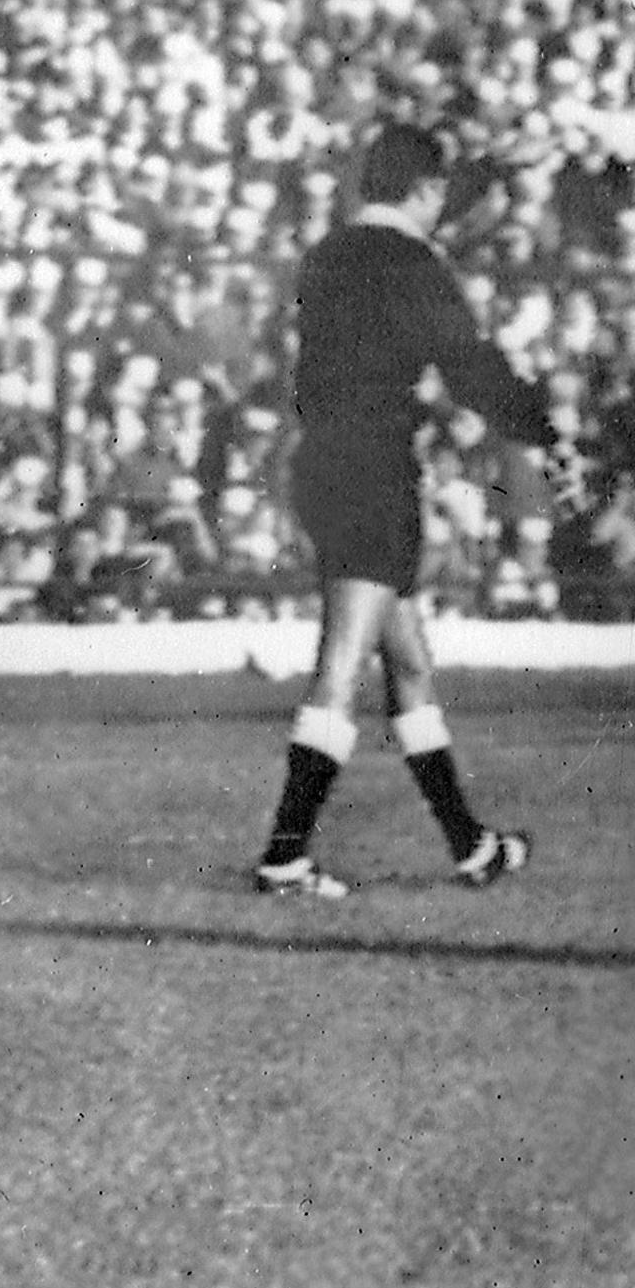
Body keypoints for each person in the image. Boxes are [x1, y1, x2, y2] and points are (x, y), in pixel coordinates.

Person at [255, 122, 569, 898]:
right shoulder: (415, 264)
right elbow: (473, 368)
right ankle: (284, 856)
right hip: (372, 471)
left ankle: (473, 847)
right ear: (426, 192)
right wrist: (544, 431)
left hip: (321, 464)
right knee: (341, 669)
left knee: (410, 664)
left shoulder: (328, 254)